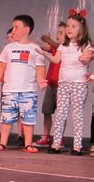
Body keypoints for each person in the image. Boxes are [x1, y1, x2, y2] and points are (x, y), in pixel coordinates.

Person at [38, 9, 92, 155]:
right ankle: (56, 144)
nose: (69, 29)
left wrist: (85, 58)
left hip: (78, 83)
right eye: (68, 26)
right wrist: (45, 53)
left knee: (77, 114)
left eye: (73, 26)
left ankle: (77, 146)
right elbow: (56, 60)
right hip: (63, 83)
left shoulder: (85, 44)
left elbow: (87, 57)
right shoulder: (63, 45)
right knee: (60, 113)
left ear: (81, 28)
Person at [0, 15, 47, 153]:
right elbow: (2, 65)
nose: (13, 30)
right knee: (7, 118)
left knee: (28, 118)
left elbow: (40, 66)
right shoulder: (9, 48)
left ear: (26, 30)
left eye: (16, 27)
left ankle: (28, 144)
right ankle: (3, 142)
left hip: (28, 90)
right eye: (13, 27)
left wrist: (40, 79)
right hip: (10, 89)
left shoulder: (35, 49)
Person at [35, 22, 66, 146]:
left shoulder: (66, 49)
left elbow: (56, 45)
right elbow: (45, 47)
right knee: (47, 111)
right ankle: (46, 136)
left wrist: (49, 39)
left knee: (61, 113)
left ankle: (60, 138)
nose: (58, 35)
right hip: (51, 84)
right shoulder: (54, 48)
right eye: (57, 32)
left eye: (61, 33)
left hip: (61, 85)